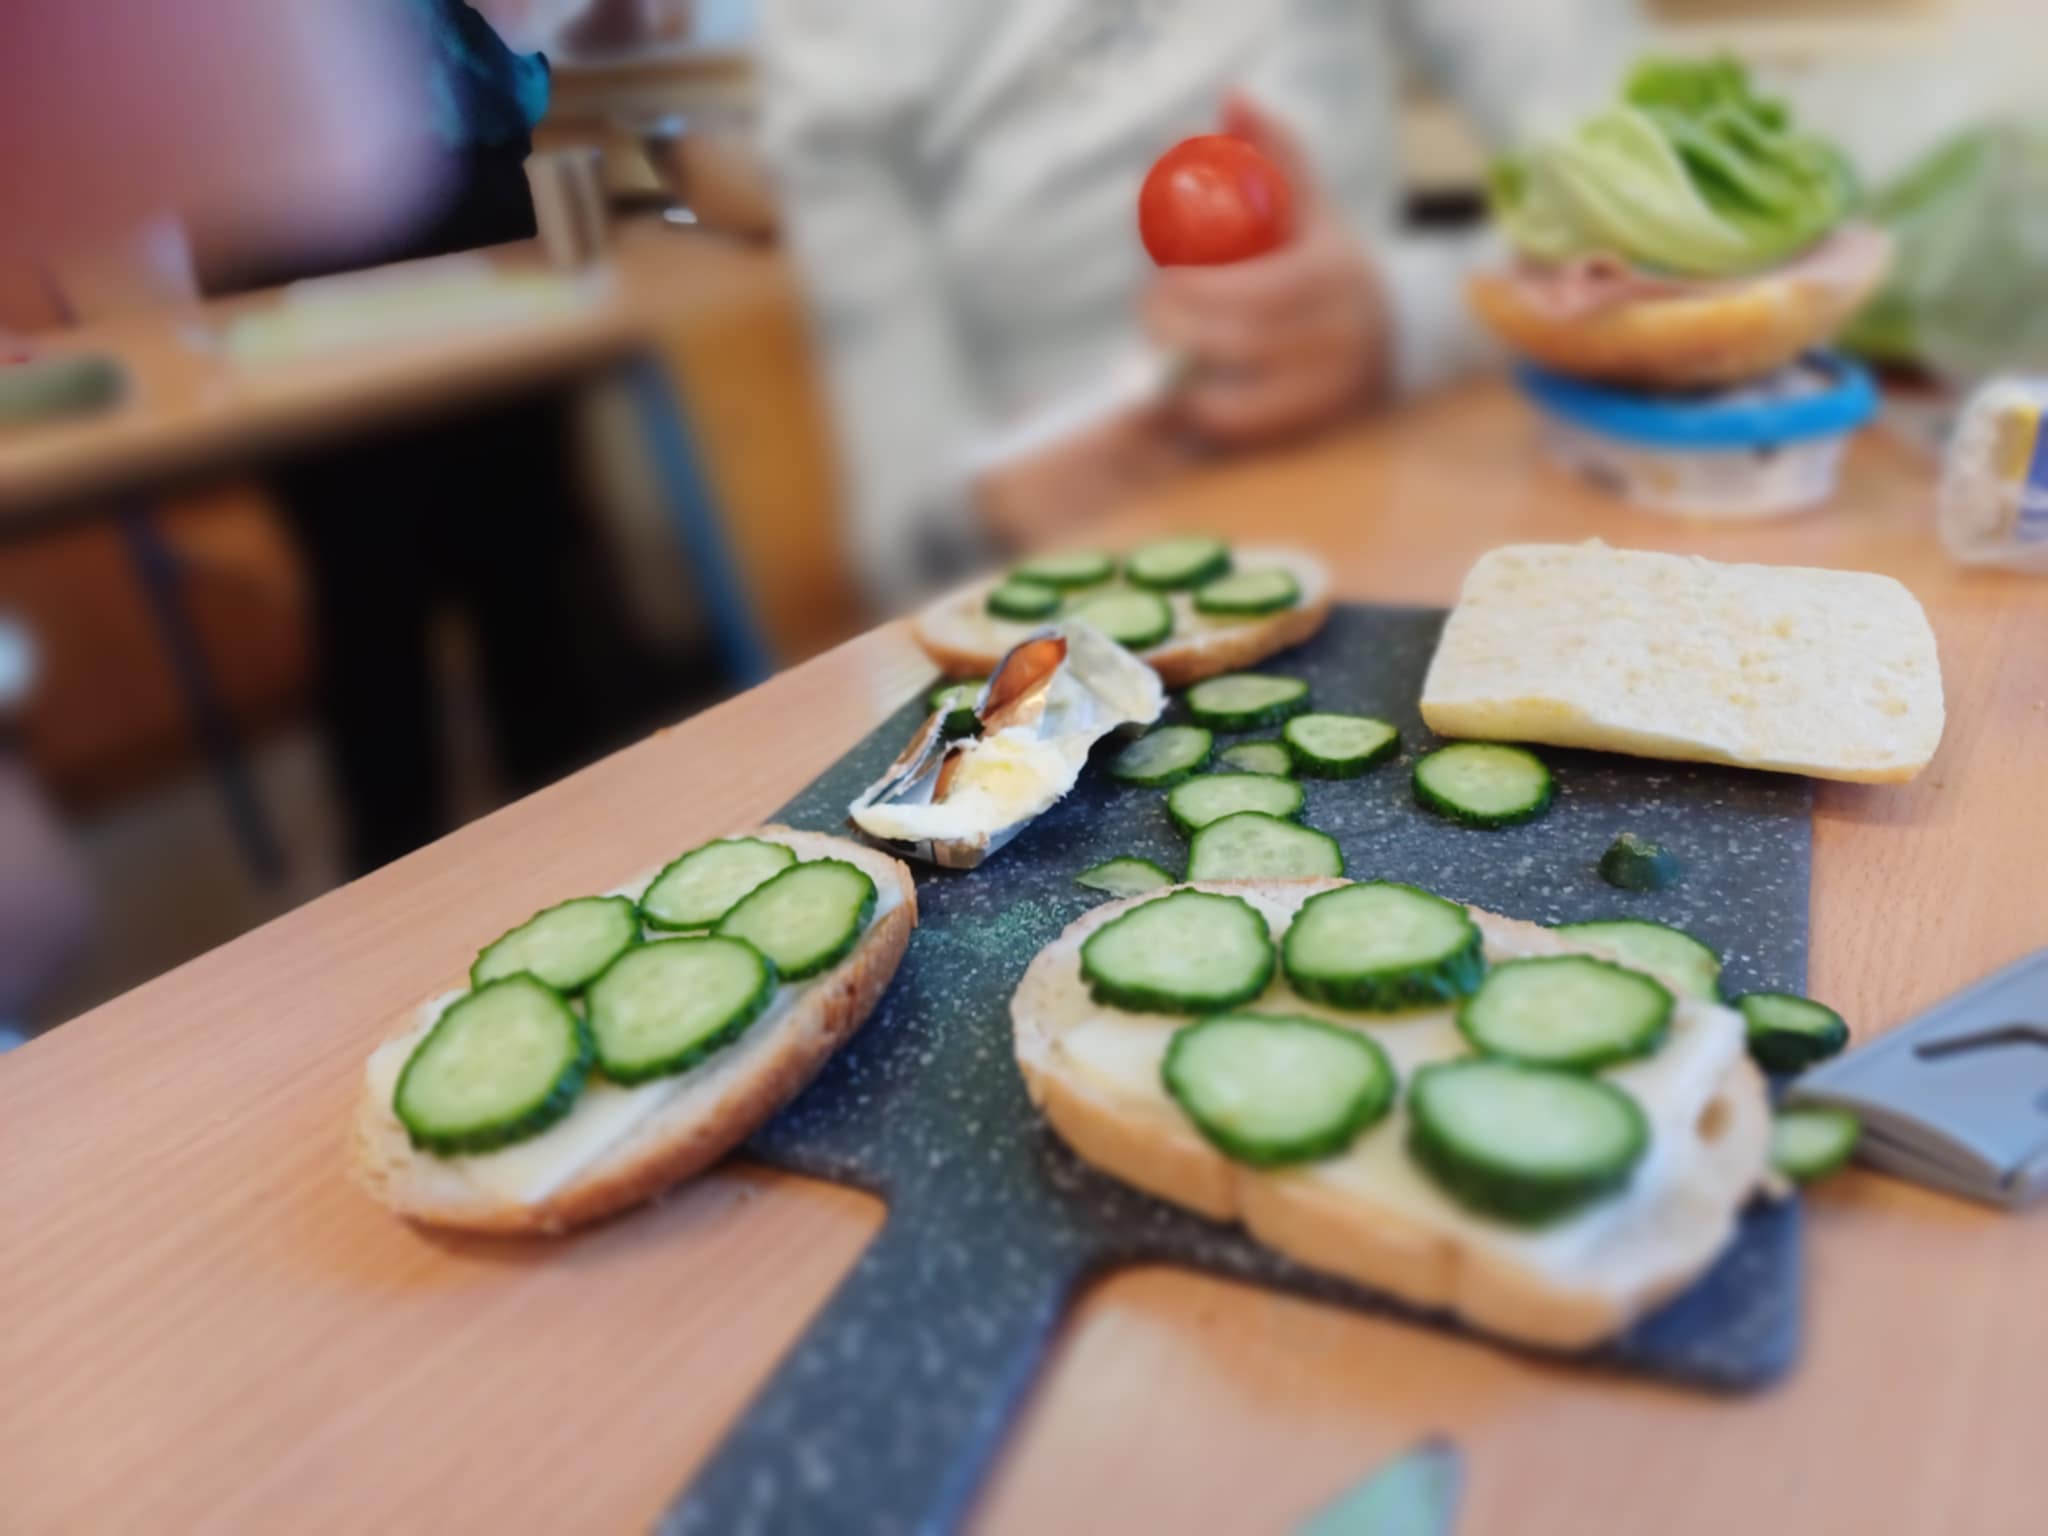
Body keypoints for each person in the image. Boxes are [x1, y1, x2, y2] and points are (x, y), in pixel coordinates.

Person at [759, 0, 1639, 612]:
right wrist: (971, 505)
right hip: (1046, 562)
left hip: (1361, 490)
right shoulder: (834, 38)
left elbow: (1649, 185)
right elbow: (901, 503)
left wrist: (1401, 322)